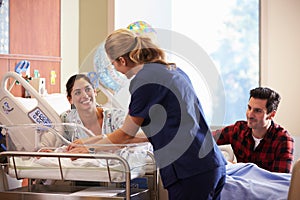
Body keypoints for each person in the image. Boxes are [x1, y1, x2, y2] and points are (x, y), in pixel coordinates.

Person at [67, 28, 227, 200]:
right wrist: (90, 141)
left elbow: (126, 135)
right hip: (210, 164)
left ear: (121, 60)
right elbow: (148, 135)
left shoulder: (144, 81)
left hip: (190, 170)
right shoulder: (171, 70)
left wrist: (90, 148)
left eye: (113, 64)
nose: (114, 69)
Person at [213, 87, 294, 173]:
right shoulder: (238, 129)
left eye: (257, 111)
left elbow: (279, 181)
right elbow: (204, 139)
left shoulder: (283, 140)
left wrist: (236, 166)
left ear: (271, 114)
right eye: (249, 108)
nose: (250, 115)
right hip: (240, 184)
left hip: (264, 186)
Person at [60, 73, 147, 143]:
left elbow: (143, 135)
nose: (85, 96)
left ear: (95, 92)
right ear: (70, 99)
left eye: (88, 89)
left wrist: (91, 142)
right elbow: (60, 145)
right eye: (77, 93)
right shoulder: (66, 120)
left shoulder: (115, 117)